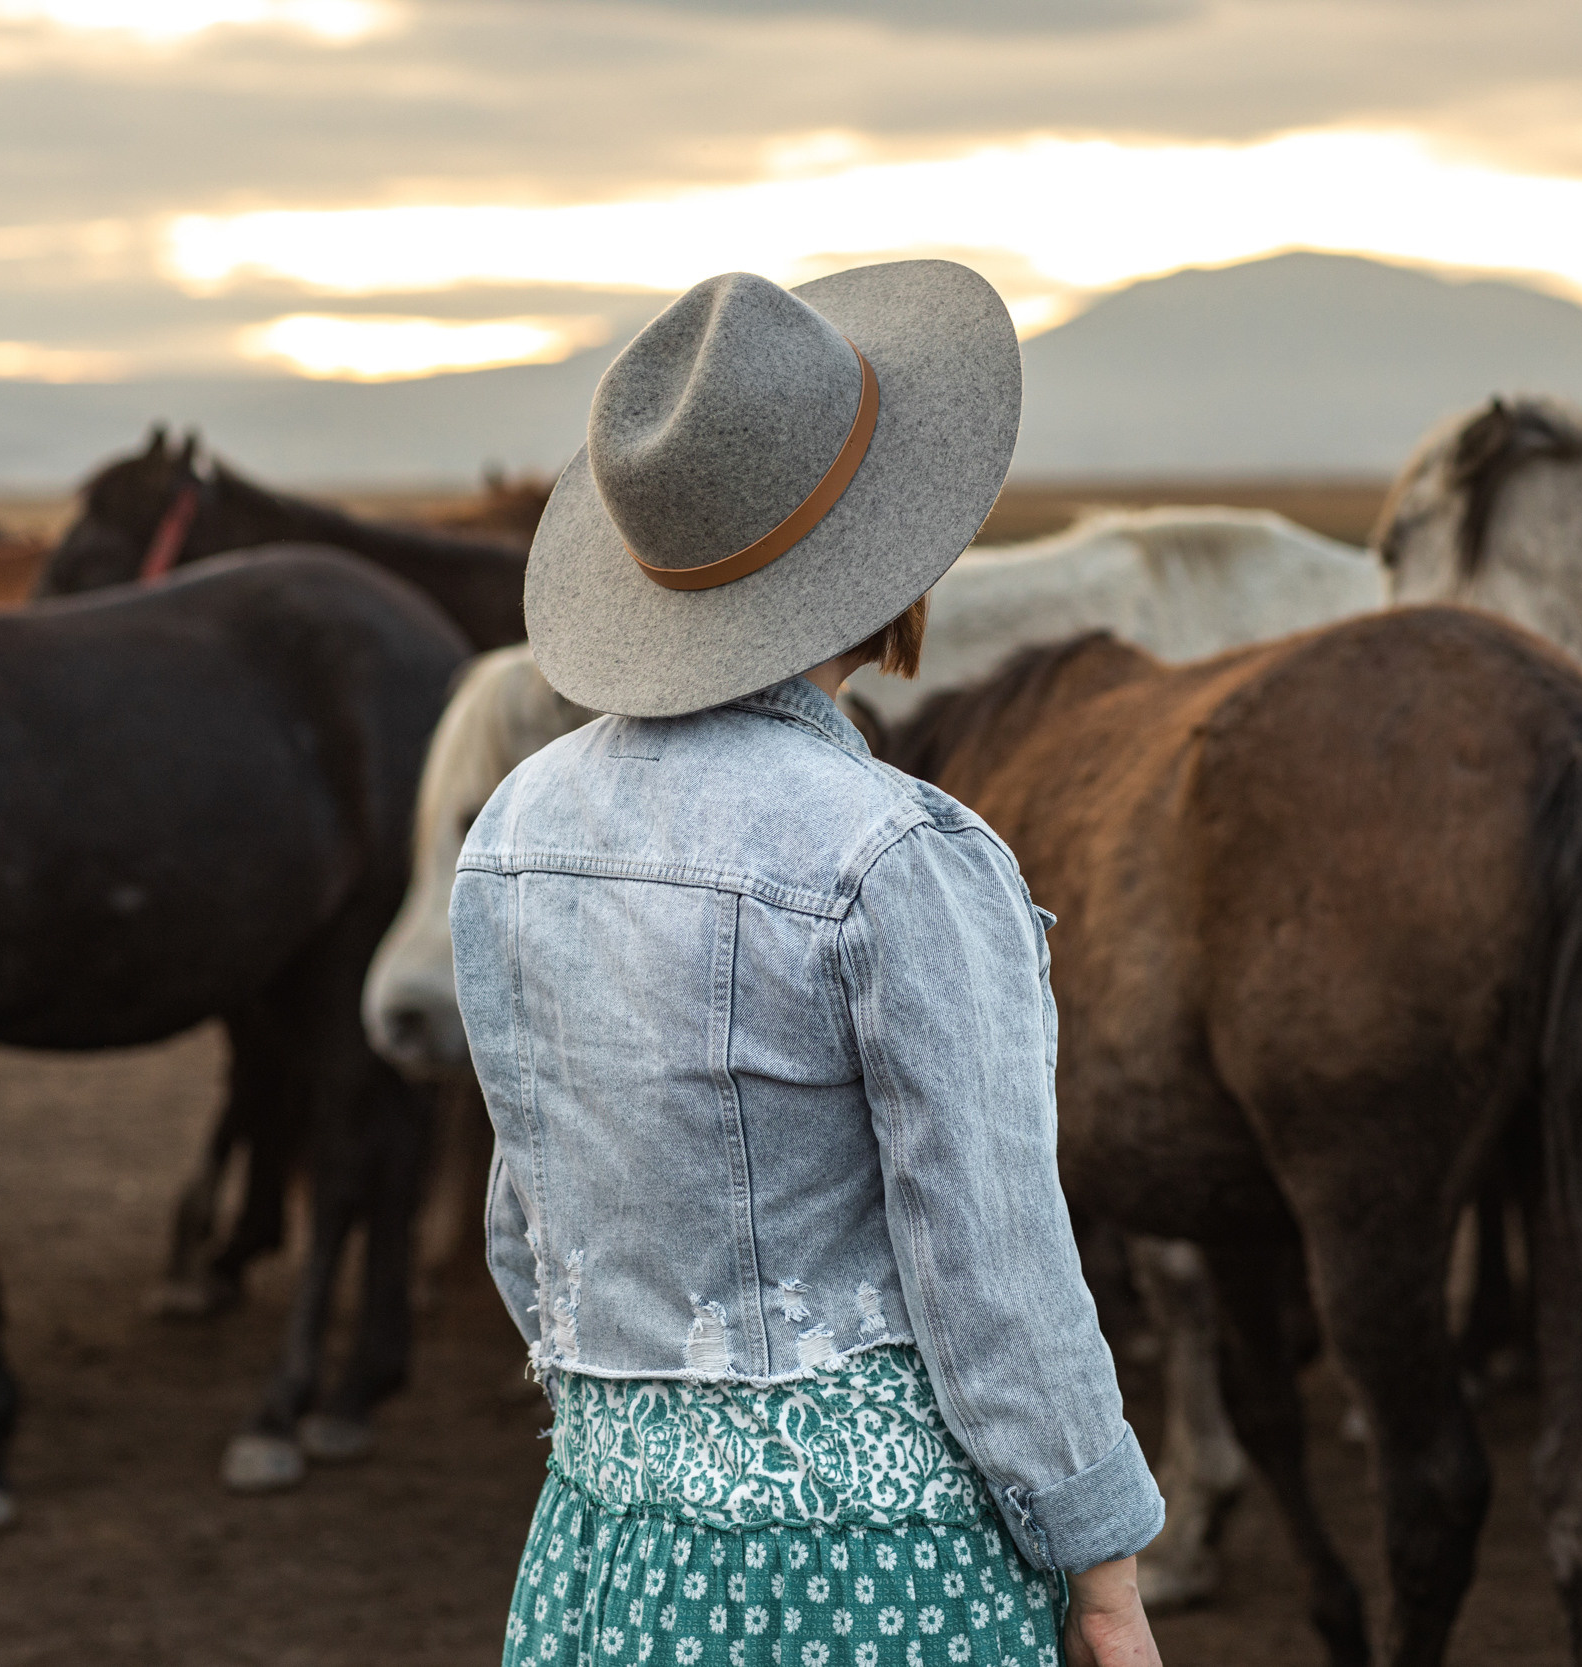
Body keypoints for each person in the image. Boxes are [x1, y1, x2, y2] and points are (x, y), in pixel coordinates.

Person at [454, 260, 1165, 1667]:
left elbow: (522, 1232)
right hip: (874, 1570)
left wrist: (649, 1430)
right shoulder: (900, 855)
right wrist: (1103, 1571)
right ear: (887, 562)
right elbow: (994, 1265)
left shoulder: (513, 828)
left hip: (606, 1538)